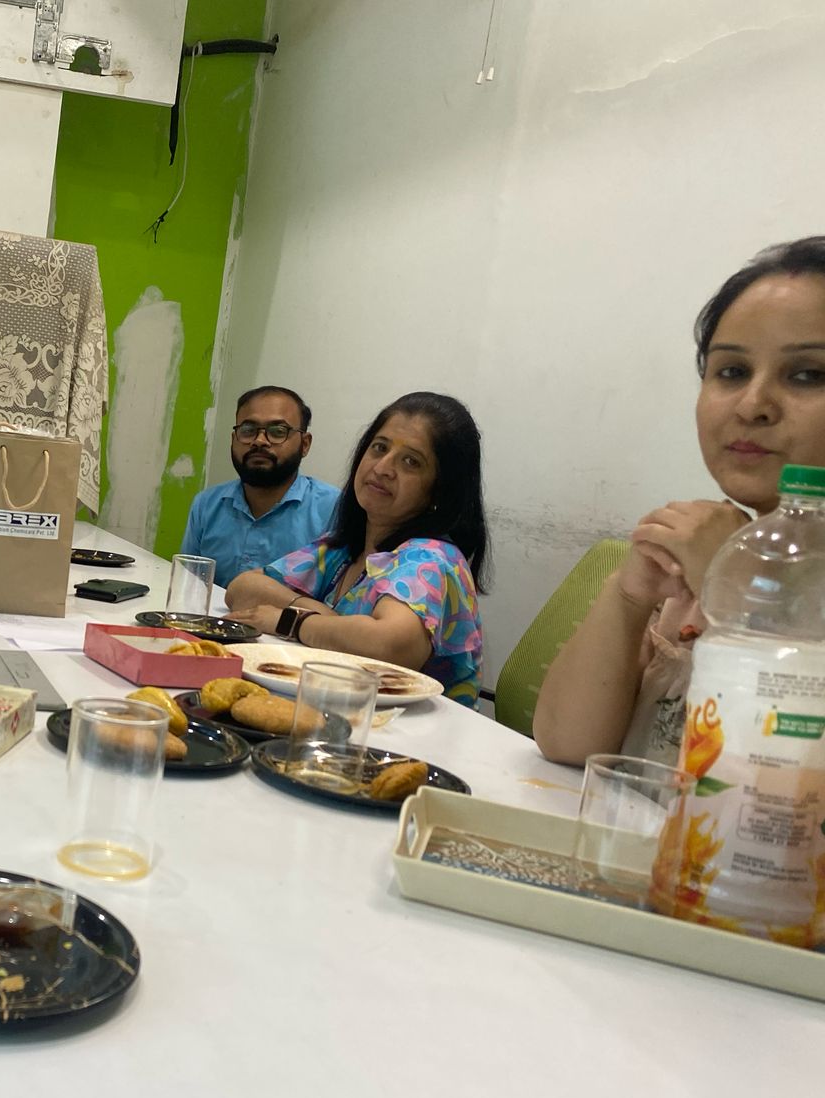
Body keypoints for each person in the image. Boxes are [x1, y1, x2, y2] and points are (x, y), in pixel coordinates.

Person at [534, 237, 825, 766]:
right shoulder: (700, 558)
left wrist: (736, 589)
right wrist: (628, 596)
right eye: (731, 371)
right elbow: (568, 744)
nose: (752, 405)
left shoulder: (724, 565)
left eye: (808, 374)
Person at [223, 391, 490, 706]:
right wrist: (321, 614)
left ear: (440, 490)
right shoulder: (344, 548)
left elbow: (390, 646)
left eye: (411, 461)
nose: (383, 468)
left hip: (413, 732)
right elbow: (242, 588)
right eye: (380, 448)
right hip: (340, 713)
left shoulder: (432, 558)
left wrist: (291, 621)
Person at [179, 386, 340, 584]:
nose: (259, 441)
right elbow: (188, 587)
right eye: (248, 431)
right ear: (233, 439)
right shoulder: (206, 505)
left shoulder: (335, 511)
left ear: (305, 444)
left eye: (278, 431)